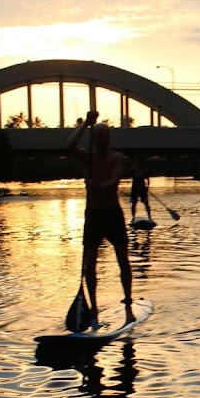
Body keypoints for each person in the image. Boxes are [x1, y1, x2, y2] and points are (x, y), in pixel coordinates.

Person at [65, 111, 135, 327]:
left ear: (109, 139)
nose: (104, 140)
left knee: (123, 260)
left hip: (112, 213)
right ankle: (94, 311)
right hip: (93, 215)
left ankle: (128, 306)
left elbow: (114, 180)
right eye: (100, 137)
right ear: (95, 139)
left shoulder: (117, 157)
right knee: (89, 266)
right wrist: (86, 122)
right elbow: (68, 147)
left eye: (106, 137)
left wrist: (100, 185)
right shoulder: (87, 156)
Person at [127, 157, 152, 222]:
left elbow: (148, 179)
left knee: (146, 203)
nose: (140, 164)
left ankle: (150, 217)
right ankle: (133, 218)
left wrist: (147, 187)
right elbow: (127, 174)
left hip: (143, 189)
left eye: (141, 162)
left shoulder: (144, 170)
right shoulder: (133, 169)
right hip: (134, 189)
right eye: (138, 162)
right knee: (134, 203)